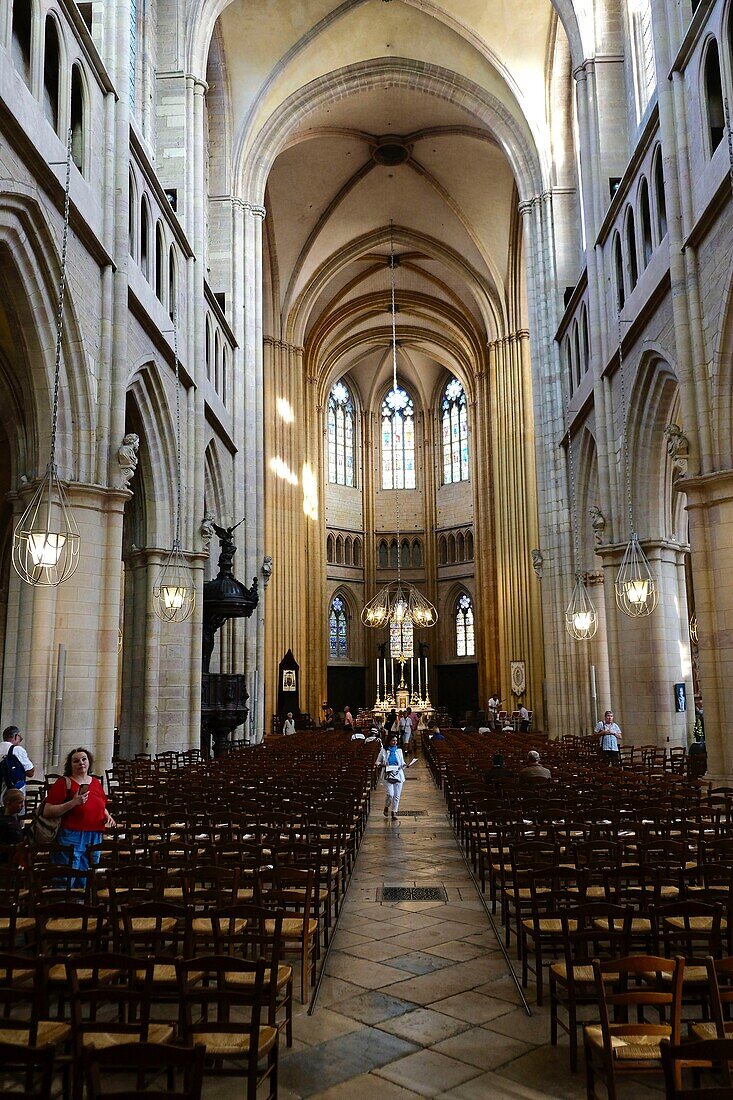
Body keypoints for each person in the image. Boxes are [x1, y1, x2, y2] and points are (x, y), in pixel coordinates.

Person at [45, 747, 116, 887]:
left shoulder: (95, 782)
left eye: (84, 759)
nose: (81, 763)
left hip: (95, 835)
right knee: (67, 877)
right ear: (70, 765)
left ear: (89, 762)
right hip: (71, 835)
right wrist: (73, 803)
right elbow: (47, 811)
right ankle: (61, 905)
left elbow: (100, 803)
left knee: (87, 877)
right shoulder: (64, 783)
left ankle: (80, 905)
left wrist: (106, 814)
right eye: (76, 761)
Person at [0, 725, 35, 807]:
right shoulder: (17, 750)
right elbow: (30, 772)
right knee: (14, 818)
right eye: (20, 738)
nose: (20, 741)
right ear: (16, 736)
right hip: (12, 796)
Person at [377, 734, 406, 821]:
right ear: (389, 741)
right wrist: (383, 765)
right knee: (390, 794)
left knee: (397, 795)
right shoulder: (384, 751)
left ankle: (394, 812)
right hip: (388, 775)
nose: (395, 742)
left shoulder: (399, 751)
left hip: (398, 774)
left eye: (396, 741)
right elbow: (377, 762)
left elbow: (402, 762)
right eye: (393, 740)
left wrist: (405, 765)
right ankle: (386, 806)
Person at [0, 788, 26, 859]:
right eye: (20, 802)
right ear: (9, 803)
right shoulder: (4, 822)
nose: (23, 805)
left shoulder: (14, 815)